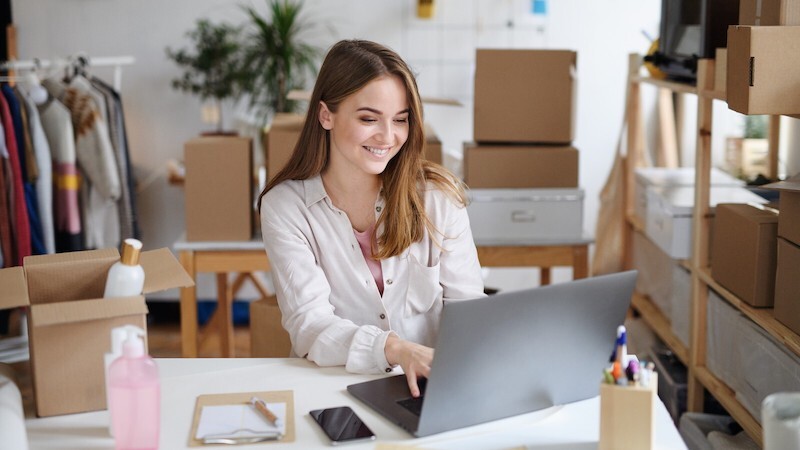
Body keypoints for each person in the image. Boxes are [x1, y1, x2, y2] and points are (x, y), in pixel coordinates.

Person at [258, 39, 485, 397]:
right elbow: (310, 326)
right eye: (368, 119)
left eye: (400, 120)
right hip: (330, 388)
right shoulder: (287, 207)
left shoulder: (437, 198)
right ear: (325, 115)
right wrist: (395, 349)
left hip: (427, 393)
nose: (388, 137)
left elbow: (469, 311)